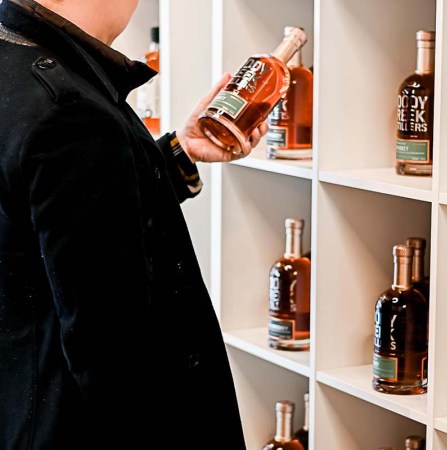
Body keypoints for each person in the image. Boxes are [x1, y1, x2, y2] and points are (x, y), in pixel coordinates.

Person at [0, 0, 268, 448]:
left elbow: (54, 216)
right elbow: (112, 355)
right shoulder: (70, 111)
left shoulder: (19, 64)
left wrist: (179, 151)